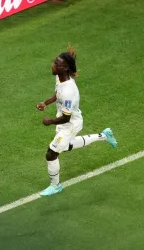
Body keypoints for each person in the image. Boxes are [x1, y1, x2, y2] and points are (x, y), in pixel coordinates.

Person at [36, 45, 117, 196]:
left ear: (65, 68)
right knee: (65, 146)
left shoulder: (69, 91)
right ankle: (105, 135)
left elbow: (66, 118)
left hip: (70, 124)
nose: (53, 66)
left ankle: (55, 186)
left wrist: (50, 121)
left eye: (57, 65)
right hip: (66, 121)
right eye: (54, 62)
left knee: (51, 153)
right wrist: (45, 103)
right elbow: (57, 93)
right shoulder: (60, 78)